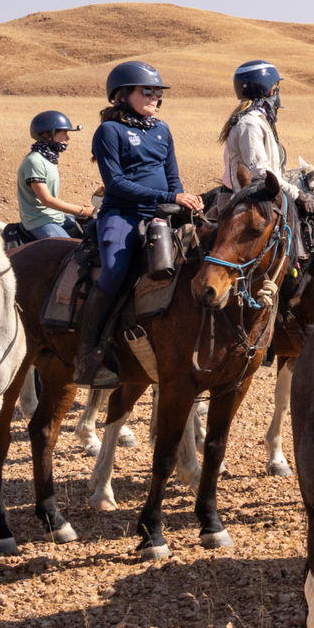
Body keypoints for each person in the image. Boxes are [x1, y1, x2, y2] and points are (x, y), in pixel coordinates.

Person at [73, 61, 204, 387]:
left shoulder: (161, 130)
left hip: (161, 213)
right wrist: (171, 194)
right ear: (122, 94)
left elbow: (172, 175)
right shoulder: (109, 131)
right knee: (114, 271)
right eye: (147, 91)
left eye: (158, 93)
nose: (154, 97)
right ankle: (87, 356)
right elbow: (116, 183)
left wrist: (181, 201)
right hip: (123, 215)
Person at [219, 59, 314, 206]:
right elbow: (260, 172)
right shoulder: (249, 124)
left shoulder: (258, 121)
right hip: (253, 203)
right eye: (276, 87)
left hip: (267, 198)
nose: (277, 93)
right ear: (269, 90)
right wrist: (298, 195)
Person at [17, 110, 95, 240]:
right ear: (48, 135)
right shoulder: (34, 161)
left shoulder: (48, 159)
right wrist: (82, 210)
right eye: (64, 133)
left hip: (55, 216)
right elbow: (47, 200)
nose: (68, 138)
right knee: (70, 248)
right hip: (39, 221)